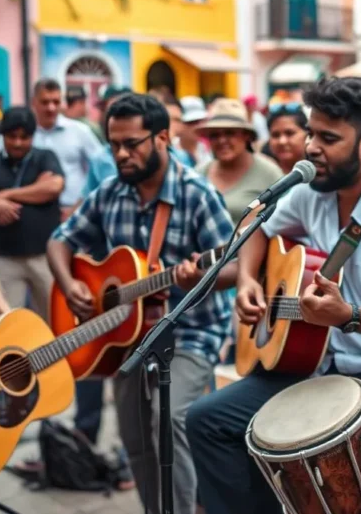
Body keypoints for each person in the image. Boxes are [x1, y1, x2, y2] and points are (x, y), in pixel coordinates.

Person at [186, 76, 361, 514]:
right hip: (325, 363)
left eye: (328, 138)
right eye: (311, 132)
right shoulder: (313, 192)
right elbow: (258, 227)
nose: (311, 147)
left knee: (316, 444)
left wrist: (347, 315)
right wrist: (251, 281)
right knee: (208, 420)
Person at [47, 93, 235, 514]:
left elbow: (236, 267)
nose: (121, 154)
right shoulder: (109, 192)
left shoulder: (196, 195)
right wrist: (70, 285)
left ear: (163, 138)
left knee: (169, 422)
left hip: (190, 329)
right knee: (134, 437)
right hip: (125, 334)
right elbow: (61, 241)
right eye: (114, 144)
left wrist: (198, 277)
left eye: (132, 143)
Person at [0, 106, 64, 318]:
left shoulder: (45, 157)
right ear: (3, 136)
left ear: (33, 136)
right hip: (3, 258)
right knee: (7, 323)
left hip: (44, 256)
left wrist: (5, 194)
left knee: (54, 319)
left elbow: (53, 187)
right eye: (12, 136)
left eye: (24, 137)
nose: (18, 143)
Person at [0, 79, 104, 221]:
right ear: (34, 102)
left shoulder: (80, 131)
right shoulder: (19, 135)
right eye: (45, 102)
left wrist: (82, 203)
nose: (51, 108)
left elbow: (101, 167)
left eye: (56, 102)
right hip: (27, 212)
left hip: (73, 212)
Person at [195, 98, 284, 226]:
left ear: (246, 135)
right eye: (214, 135)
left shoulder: (270, 173)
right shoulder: (199, 173)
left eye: (230, 133)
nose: (222, 140)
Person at [261, 102, 308, 174]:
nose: (282, 141)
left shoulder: (321, 174)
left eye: (289, 133)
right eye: (275, 135)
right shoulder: (262, 174)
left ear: (307, 134)